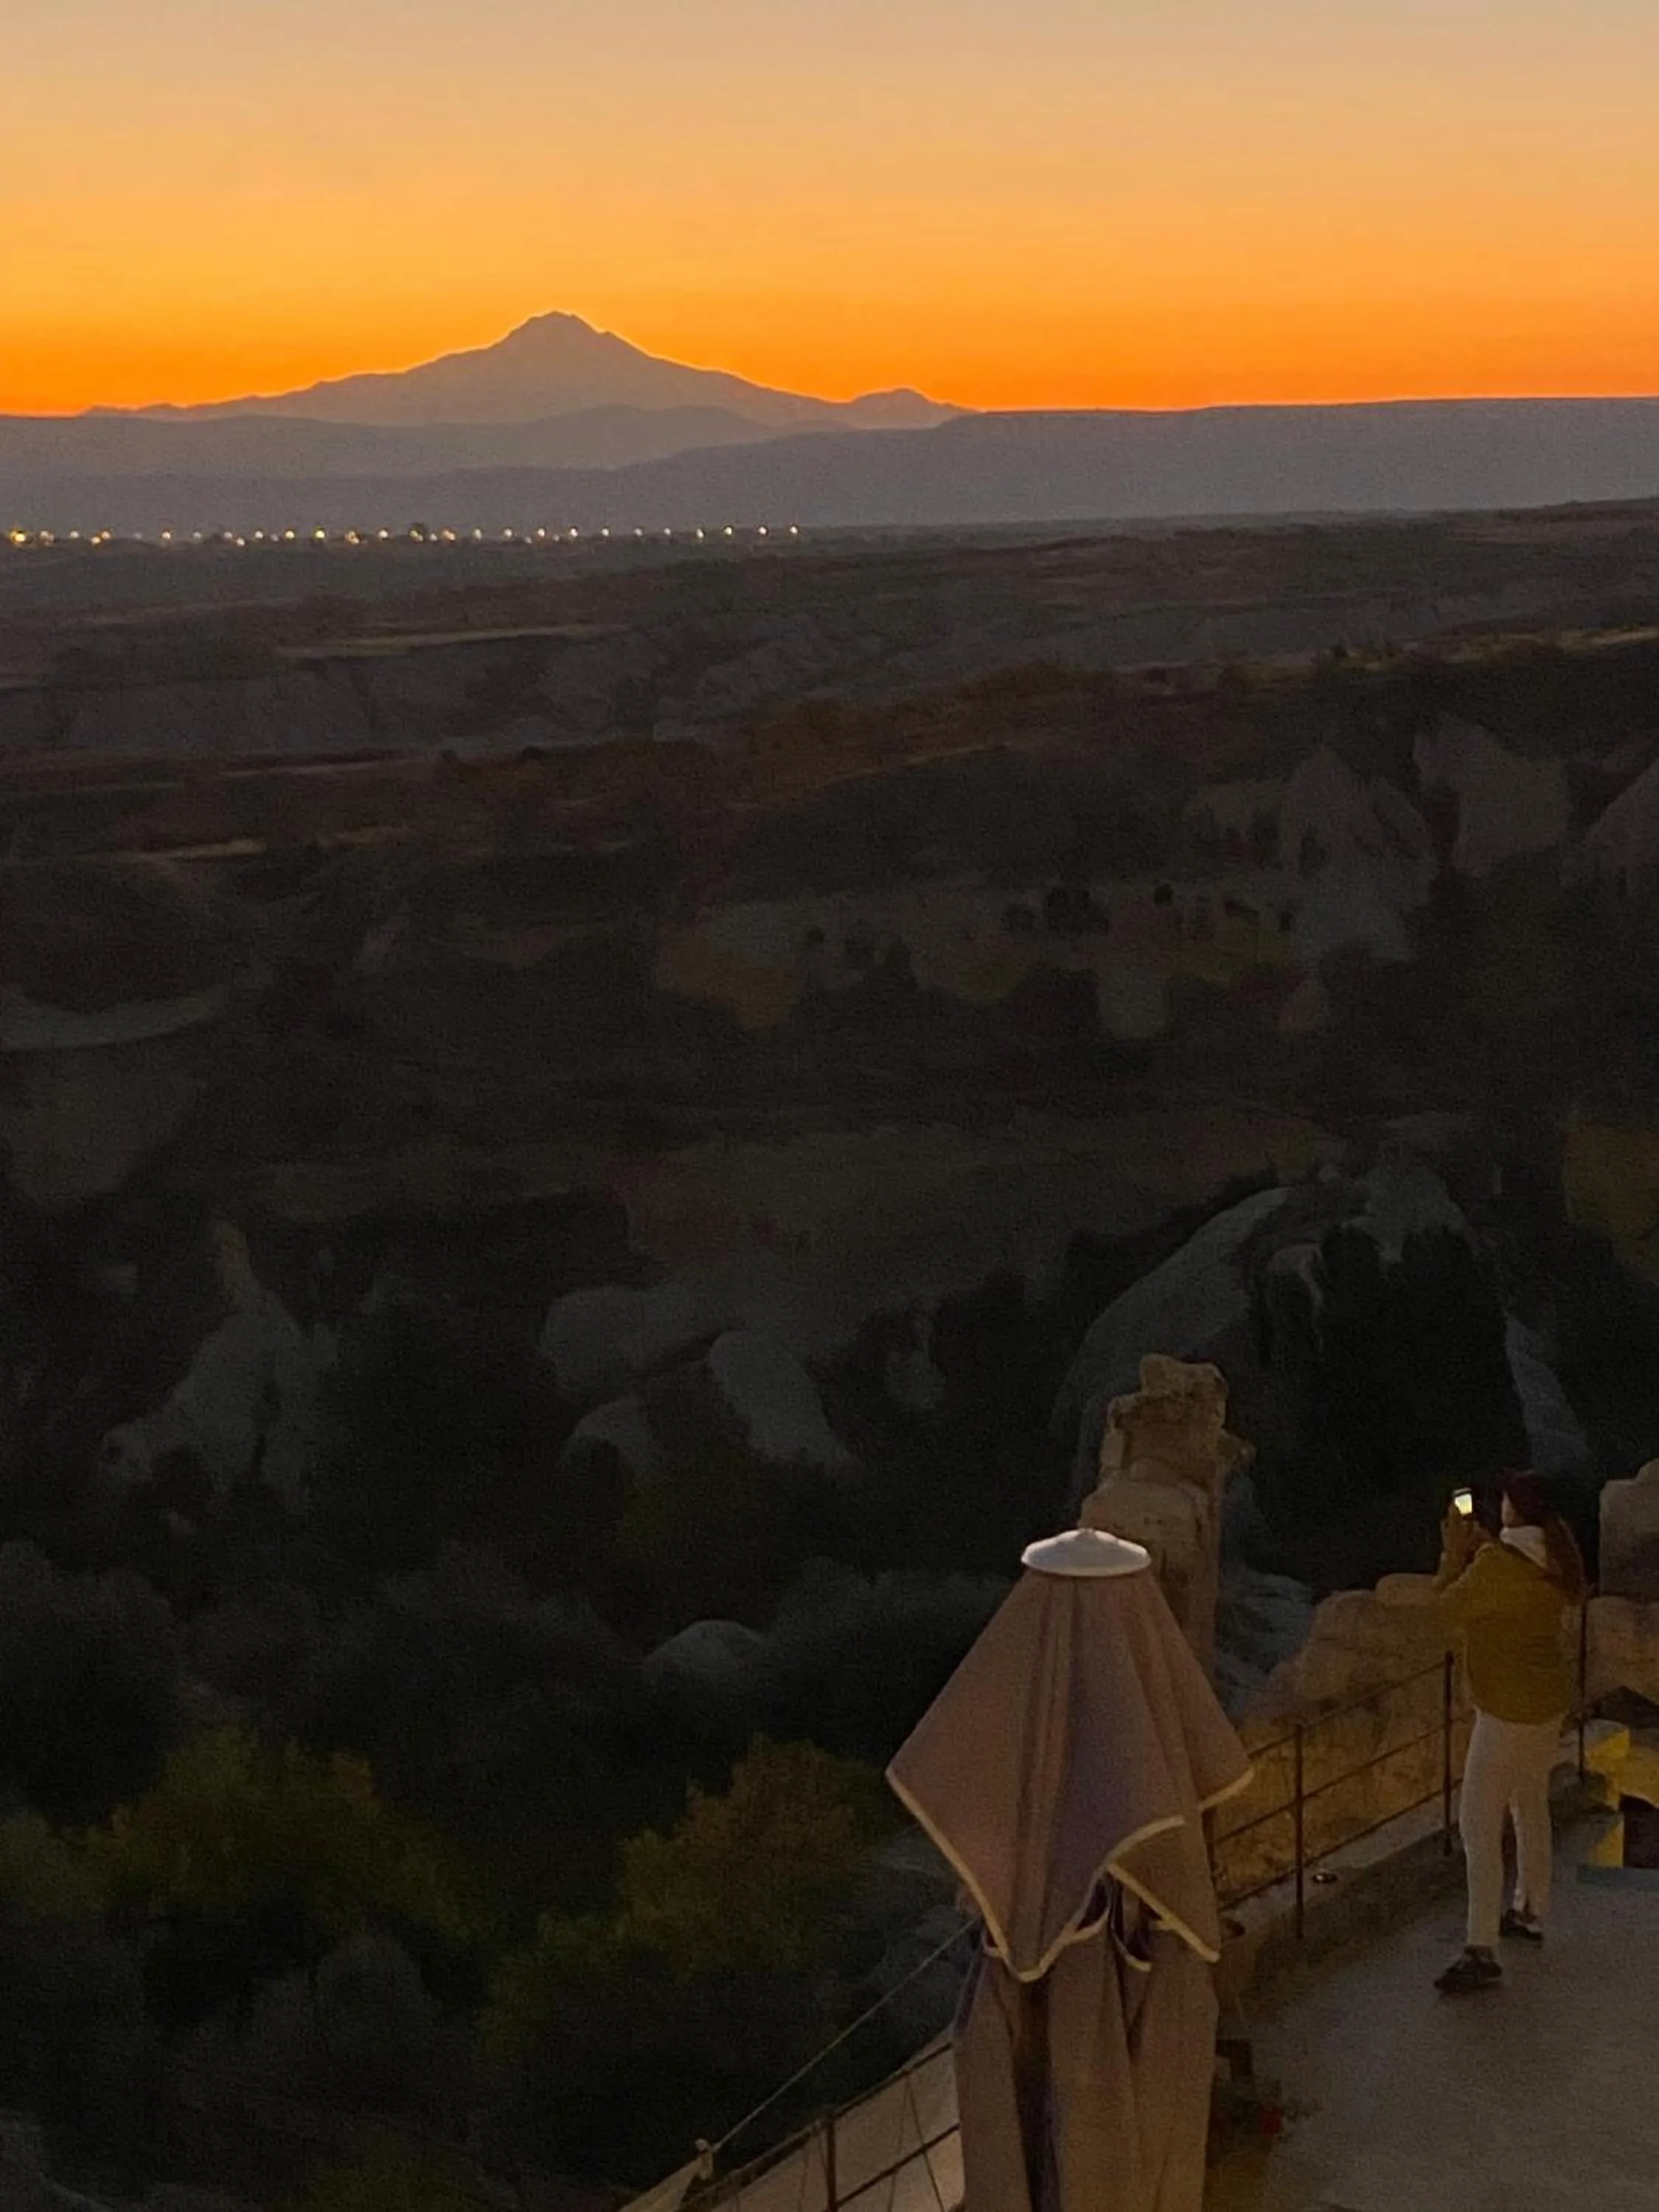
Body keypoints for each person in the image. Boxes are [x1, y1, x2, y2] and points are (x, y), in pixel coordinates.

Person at [1433, 1471, 1588, 1996]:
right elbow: (1511, 1583)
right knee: (1529, 1804)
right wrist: (1483, 1553)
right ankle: (1529, 1910)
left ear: (1514, 1510)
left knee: (1477, 1826)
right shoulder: (1556, 1559)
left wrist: (1454, 1556)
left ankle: (1480, 1949)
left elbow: (1442, 1611)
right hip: (1546, 1706)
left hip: (1504, 1712)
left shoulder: (1497, 1566)